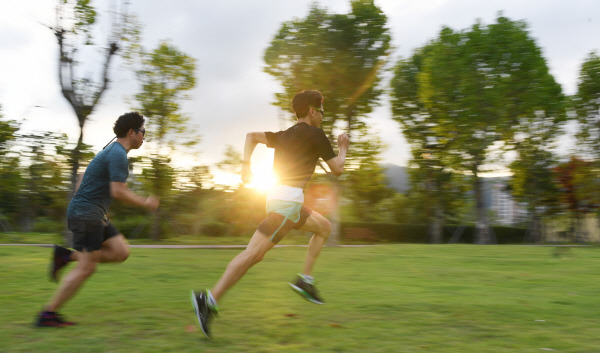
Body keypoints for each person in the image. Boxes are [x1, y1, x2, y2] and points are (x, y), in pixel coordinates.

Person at [191, 89, 350, 337]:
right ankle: (208, 300)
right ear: (311, 110)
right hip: (287, 205)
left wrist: (246, 166)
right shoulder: (317, 135)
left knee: (324, 227)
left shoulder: (285, 135)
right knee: (252, 255)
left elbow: (251, 136)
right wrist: (343, 148)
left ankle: (305, 280)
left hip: (282, 201)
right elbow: (337, 169)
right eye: (320, 110)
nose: (322, 115)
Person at [35, 112, 160, 327]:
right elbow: (118, 191)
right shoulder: (118, 154)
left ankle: (65, 256)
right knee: (87, 267)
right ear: (132, 132)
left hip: (92, 212)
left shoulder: (111, 150)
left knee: (121, 252)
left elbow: (84, 175)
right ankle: (48, 314)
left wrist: (94, 203)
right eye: (143, 132)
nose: (144, 137)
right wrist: (145, 203)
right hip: (87, 214)